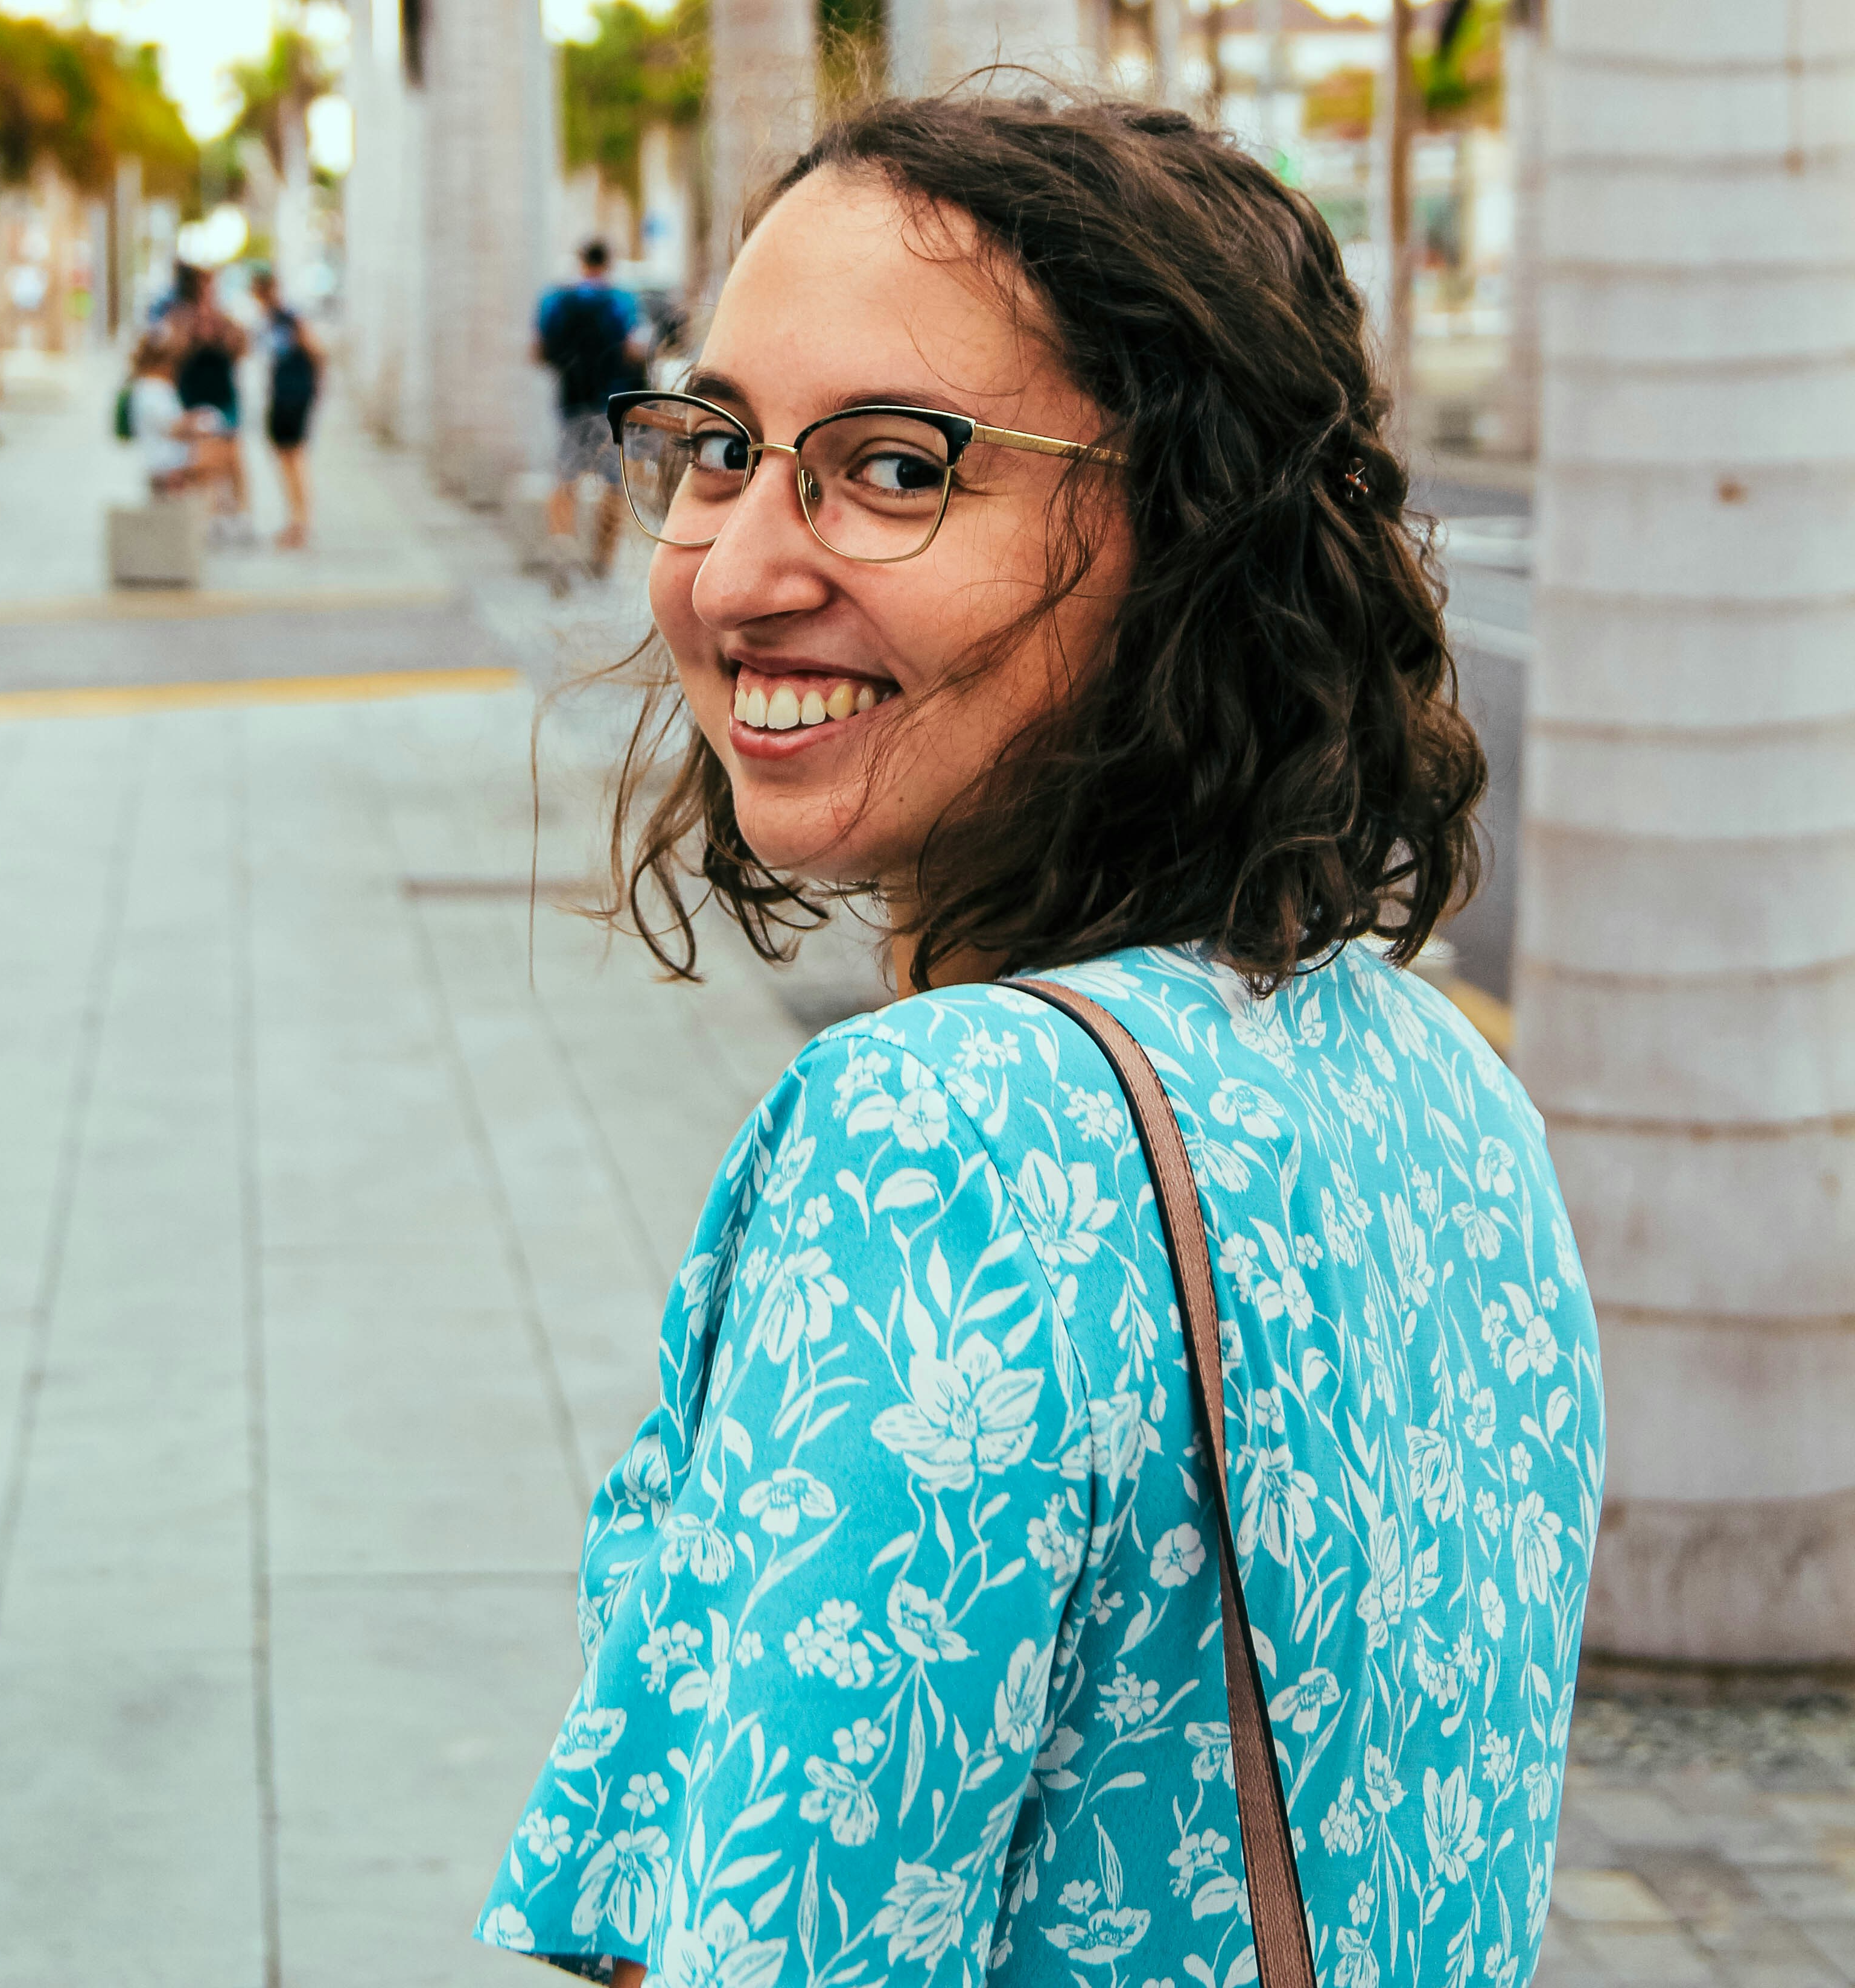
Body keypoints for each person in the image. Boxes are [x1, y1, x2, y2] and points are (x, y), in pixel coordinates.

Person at [479, 96, 1602, 1988]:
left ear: (1189, 537)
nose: (739, 570)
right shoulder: (1449, 1088)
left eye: (895, 469)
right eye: (722, 447)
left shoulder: (944, 1138)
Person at [535, 238, 646, 581]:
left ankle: (561, 551)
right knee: (615, 484)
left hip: (572, 403)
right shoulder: (623, 301)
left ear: (582, 261)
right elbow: (635, 349)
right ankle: (603, 561)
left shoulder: (557, 299)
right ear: (608, 263)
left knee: (565, 480)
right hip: (612, 406)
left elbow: (539, 350)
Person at [249, 264, 325, 550]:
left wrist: (314, 391)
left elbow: (316, 353)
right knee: (285, 458)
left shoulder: (288, 318)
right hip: (280, 395)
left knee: (294, 458)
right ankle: (296, 519)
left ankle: (301, 521)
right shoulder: (267, 320)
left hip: (294, 396)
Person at [127, 327, 239, 510]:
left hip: (167, 454)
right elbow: (173, 428)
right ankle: (220, 511)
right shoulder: (153, 389)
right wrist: (200, 424)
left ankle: (218, 510)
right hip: (165, 459)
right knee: (224, 454)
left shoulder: (147, 387)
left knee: (219, 453)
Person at [174, 270, 249, 524]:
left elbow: (240, 349)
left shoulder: (226, 326)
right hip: (195, 401)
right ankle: (215, 514)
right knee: (208, 459)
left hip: (224, 401)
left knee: (233, 459)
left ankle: (237, 513)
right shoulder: (183, 324)